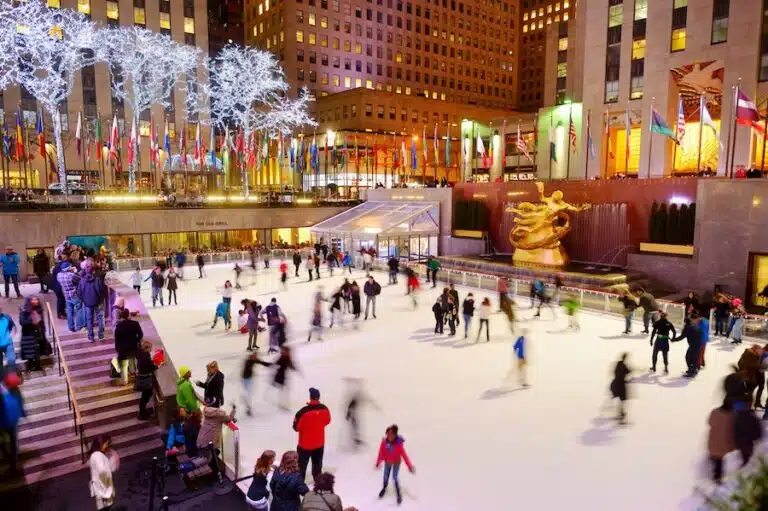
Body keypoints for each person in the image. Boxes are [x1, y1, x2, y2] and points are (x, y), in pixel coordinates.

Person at [293, 387, 332, 483]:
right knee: (317, 467)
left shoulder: (303, 412)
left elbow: (296, 428)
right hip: (319, 444)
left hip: (305, 445)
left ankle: (300, 486)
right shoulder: (325, 409)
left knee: (301, 467)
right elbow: (327, 421)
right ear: (319, 397)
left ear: (310, 397)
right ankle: (318, 485)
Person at [375, 424, 414, 505]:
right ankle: (384, 488)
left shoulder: (399, 445)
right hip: (387, 462)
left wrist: (409, 466)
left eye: (391, 434)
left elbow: (404, 455)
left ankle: (398, 493)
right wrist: (378, 462)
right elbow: (381, 453)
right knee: (385, 476)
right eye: (388, 434)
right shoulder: (384, 443)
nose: (389, 436)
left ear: (395, 435)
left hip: (396, 462)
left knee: (395, 477)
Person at [0, 373, 26, 475]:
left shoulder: (14, 390)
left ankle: (13, 464)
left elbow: (19, 401)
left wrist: (22, 412)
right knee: (9, 443)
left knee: (12, 443)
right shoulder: (3, 391)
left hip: (10, 421)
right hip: (4, 420)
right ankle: (10, 460)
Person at [19, 296, 49, 376]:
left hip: (38, 333)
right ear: (29, 301)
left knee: (37, 350)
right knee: (30, 350)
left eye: (37, 299)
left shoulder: (39, 310)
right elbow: (22, 322)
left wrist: (43, 331)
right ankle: (30, 367)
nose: (37, 301)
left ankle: (38, 367)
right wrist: (33, 321)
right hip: (28, 334)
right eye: (34, 299)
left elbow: (41, 322)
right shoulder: (24, 310)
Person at [88, 435, 119, 511]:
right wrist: (112, 461)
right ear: (101, 444)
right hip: (103, 486)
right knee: (105, 505)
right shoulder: (98, 455)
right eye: (106, 443)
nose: (107, 445)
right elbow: (103, 471)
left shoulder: (95, 454)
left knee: (101, 505)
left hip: (99, 486)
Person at [707, 401, 735, 484]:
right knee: (719, 462)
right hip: (722, 445)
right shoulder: (730, 416)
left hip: (712, 442)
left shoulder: (714, 412)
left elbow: (709, 422)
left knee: (716, 460)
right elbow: (731, 431)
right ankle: (717, 479)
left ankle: (714, 475)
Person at [114, 308, 143, 385]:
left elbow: (117, 339)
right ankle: (134, 377)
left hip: (122, 349)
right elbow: (140, 334)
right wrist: (136, 341)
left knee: (123, 365)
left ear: (122, 316)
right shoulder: (135, 324)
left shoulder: (119, 326)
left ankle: (125, 381)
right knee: (132, 361)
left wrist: (117, 348)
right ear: (129, 315)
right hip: (133, 347)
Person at [78, 266, 106, 343]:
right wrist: (101, 300)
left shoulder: (82, 281)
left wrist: (84, 300)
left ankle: (91, 337)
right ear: (93, 271)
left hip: (87, 303)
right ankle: (101, 336)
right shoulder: (97, 280)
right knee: (100, 318)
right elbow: (101, 291)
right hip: (98, 302)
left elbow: (79, 293)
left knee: (89, 319)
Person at [242, 352, 272, 416]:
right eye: (254, 356)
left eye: (255, 356)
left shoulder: (253, 360)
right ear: (252, 356)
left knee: (249, 393)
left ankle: (248, 406)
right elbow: (248, 368)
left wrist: (270, 365)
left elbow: (262, 363)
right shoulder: (248, 361)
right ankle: (248, 406)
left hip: (248, 379)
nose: (255, 357)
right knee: (247, 393)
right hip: (245, 379)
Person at [135, 340, 157, 420]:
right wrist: (159, 365)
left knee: (144, 397)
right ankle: (142, 414)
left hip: (142, 377)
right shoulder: (145, 357)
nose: (151, 350)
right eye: (150, 348)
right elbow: (151, 367)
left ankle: (142, 412)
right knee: (145, 396)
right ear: (146, 348)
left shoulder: (141, 354)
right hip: (145, 380)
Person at [57, 262, 82, 332]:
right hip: (74, 294)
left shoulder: (59, 275)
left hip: (66, 295)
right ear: (69, 268)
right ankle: (79, 326)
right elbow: (80, 279)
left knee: (69, 311)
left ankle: (71, 328)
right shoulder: (71, 275)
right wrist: (76, 272)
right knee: (79, 309)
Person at [273, 346, 299, 410]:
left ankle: (283, 404)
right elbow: (275, 364)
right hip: (280, 376)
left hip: (283, 377)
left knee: (285, 391)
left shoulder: (287, 357)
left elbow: (291, 365)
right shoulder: (282, 357)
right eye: (288, 351)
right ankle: (282, 405)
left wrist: (296, 370)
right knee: (284, 391)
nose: (289, 353)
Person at [610, 353, 631, 425]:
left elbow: (615, 373)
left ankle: (620, 414)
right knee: (622, 402)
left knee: (620, 401)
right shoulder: (623, 366)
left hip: (616, 384)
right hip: (621, 386)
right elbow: (628, 371)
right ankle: (620, 417)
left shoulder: (618, 364)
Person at [0, 308, 16, 377]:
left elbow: (13, 327)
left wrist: (12, 334)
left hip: (8, 343)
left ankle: (12, 377)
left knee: (11, 360)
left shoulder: (6, 317)